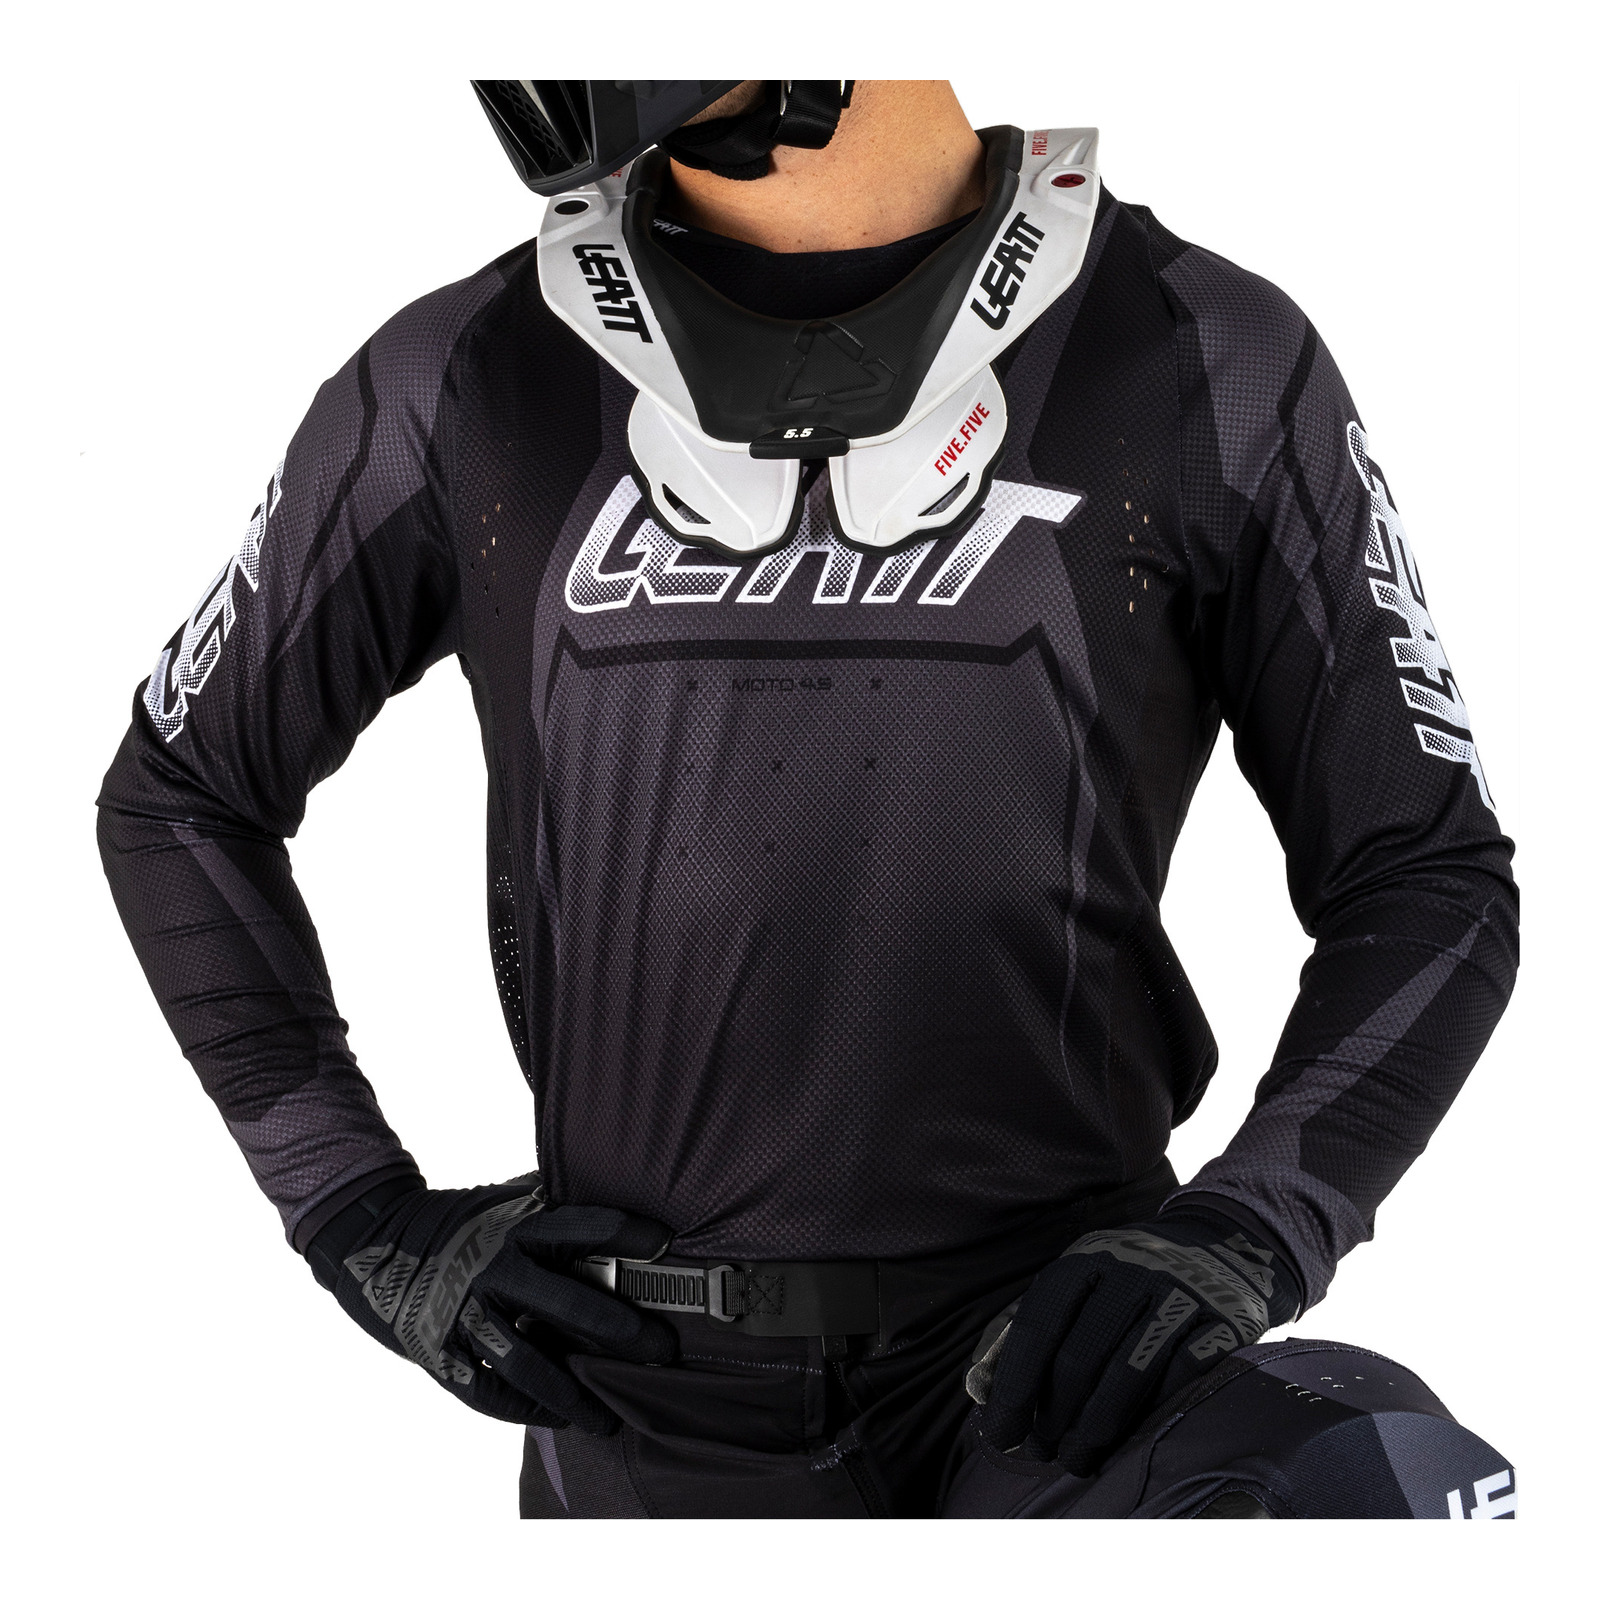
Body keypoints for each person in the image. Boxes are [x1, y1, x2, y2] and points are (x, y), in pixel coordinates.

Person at [97, 80, 1518, 1518]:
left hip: (1048, 1384)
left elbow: (1426, 872)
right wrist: (356, 1214)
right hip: (640, 1408)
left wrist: (1251, 1231)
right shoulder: (467, 375)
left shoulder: (1203, 355)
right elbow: (180, 793)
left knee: (1372, 1486)